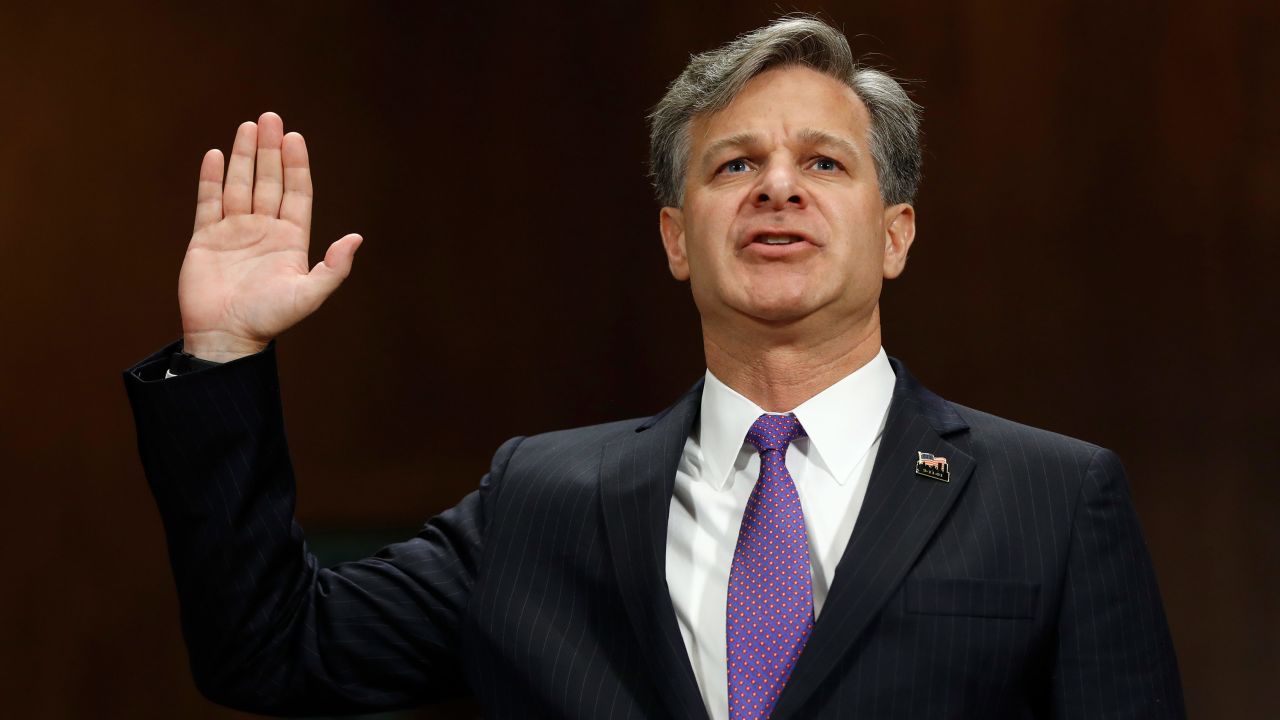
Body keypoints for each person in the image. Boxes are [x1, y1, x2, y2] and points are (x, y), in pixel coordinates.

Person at [124, 15, 1185, 719]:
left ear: (895, 233)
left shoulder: (1052, 496)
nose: (777, 188)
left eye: (822, 162)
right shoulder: (539, 501)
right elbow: (269, 650)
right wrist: (224, 353)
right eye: (734, 166)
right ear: (677, 239)